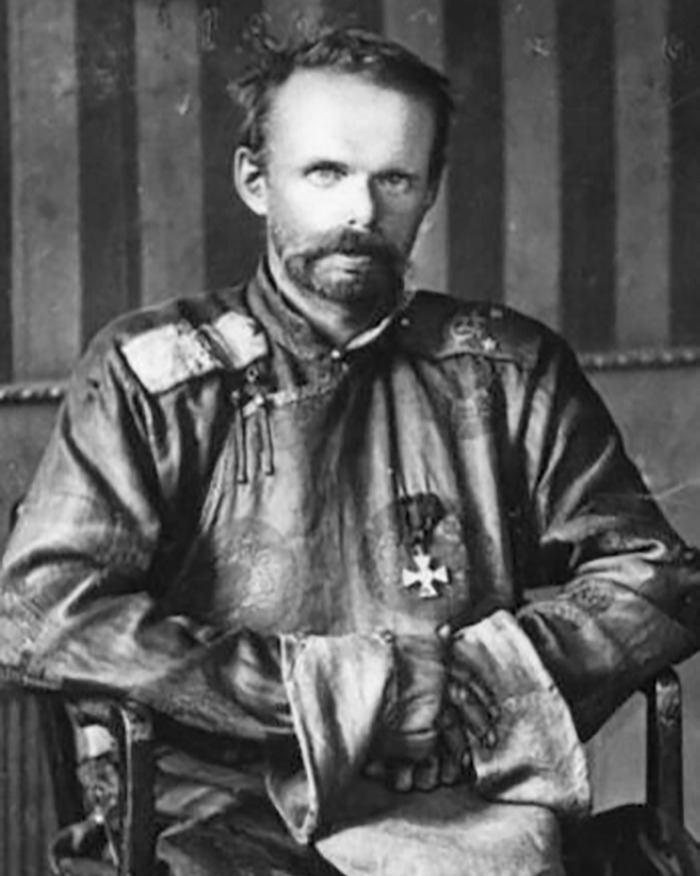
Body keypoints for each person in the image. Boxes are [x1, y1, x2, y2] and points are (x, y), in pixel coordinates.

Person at [1, 25, 700, 876]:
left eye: (395, 178)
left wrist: (474, 679)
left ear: (430, 191)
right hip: (225, 812)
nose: (361, 211)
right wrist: (347, 694)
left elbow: (659, 573)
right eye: (326, 173)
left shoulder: (511, 368)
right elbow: (36, 612)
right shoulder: (148, 373)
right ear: (256, 181)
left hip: (471, 796)